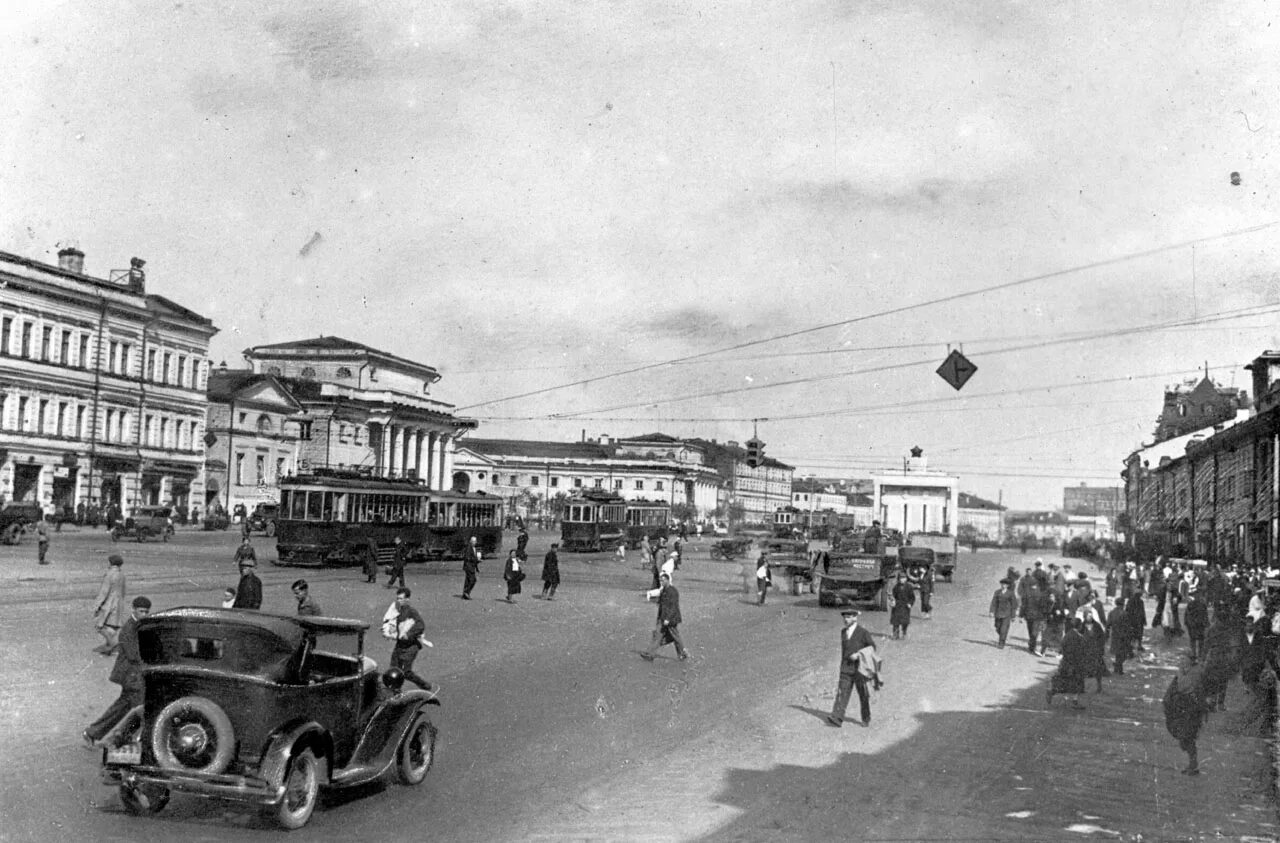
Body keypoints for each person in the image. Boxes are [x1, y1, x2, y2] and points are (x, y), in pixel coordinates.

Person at [84, 596, 152, 747]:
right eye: (141, 611)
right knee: (141, 709)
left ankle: (92, 733)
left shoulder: (139, 626)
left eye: (147, 612)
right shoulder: (128, 629)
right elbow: (134, 655)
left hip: (133, 677)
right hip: (130, 676)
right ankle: (124, 741)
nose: (144, 614)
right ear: (133, 609)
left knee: (122, 708)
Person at [826, 607, 880, 728]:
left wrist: (859, 654)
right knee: (842, 692)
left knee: (863, 694)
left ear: (855, 617)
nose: (846, 619)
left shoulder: (863, 632)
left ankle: (866, 718)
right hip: (845, 668)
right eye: (844, 617)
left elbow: (872, 647)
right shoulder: (843, 632)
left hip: (859, 669)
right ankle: (837, 717)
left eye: (849, 617)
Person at [381, 588, 433, 691]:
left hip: (410, 647)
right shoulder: (396, 611)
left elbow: (420, 625)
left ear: (407, 599)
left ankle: (425, 686)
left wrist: (409, 634)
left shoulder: (411, 611)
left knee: (406, 672)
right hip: (400, 645)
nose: (398, 601)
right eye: (397, 599)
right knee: (393, 670)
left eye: (401, 599)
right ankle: (395, 691)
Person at [1163, 665, 1209, 775]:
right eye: (1181, 659)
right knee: (1184, 739)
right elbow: (1173, 690)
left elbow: (1197, 690)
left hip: (1191, 711)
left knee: (1188, 737)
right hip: (1181, 711)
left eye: (1185, 659)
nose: (1182, 662)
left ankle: (1193, 765)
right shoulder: (1180, 674)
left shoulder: (1195, 674)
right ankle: (1192, 764)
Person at [641, 573, 688, 661]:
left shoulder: (673, 591)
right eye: (660, 580)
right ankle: (650, 654)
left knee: (675, 636)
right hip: (662, 618)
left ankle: (683, 653)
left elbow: (673, 607)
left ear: (668, 580)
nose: (661, 582)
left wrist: (668, 619)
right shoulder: (664, 591)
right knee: (658, 635)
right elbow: (662, 604)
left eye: (663, 580)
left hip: (670, 619)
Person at [1047, 617, 1089, 709]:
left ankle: (1052, 691)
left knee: (1064, 680)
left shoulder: (1067, 635)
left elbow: (1062, 648)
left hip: (1066, 662)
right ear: (1079, 626)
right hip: (1075, 663)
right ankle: (1075, 702)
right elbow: (1082, 651)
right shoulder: (1079, 637)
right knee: (1078, 682)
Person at [91, 553, 127, 655]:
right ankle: (110, 645)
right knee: (112, 626)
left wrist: (97, 605)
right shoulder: (122, 574)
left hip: (109, 603)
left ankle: (112, 646)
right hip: (119, 602)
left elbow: (104, 592)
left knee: (99, 625)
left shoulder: (109, 574)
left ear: (111, 563)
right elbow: (123, 590)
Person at [989, 577, 1019, 649]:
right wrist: (991, 611)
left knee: (1003, 629)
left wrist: (1013, 615)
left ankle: (1001, 643)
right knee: (997, 627)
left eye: (1005, 584)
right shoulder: (997, 592)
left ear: (1007, 586)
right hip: (998, 613)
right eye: (1002, 584)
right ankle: (1003, 636)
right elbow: (993, 602)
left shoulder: (1010, 593)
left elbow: (1014, 604)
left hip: (1007, 614)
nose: (1003, 585)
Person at [1185, 588, 1209, 664]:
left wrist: (1187, 623)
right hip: (1197, 625)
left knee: (1196, 640)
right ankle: (1197, 656)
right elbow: (1187, 614)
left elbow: (1187, 615)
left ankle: (1196, 655)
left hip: (1196, 625)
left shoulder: (1195, 604)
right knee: (1198, 640)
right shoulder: (1196, 604)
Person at [889, 571, 915, 640]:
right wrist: (892, 601)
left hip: (905, 606)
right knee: (895, 622)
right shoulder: (896, 586)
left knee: (905, 622)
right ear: (898, 579)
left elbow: (912, 597)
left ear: (906, 579)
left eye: (904, 578)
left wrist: (910, 603)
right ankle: (895, 634)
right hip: (897, 606)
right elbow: (893, 596)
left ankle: (904, 633)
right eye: (901, 578)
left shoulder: (909, 587)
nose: (902, 580)